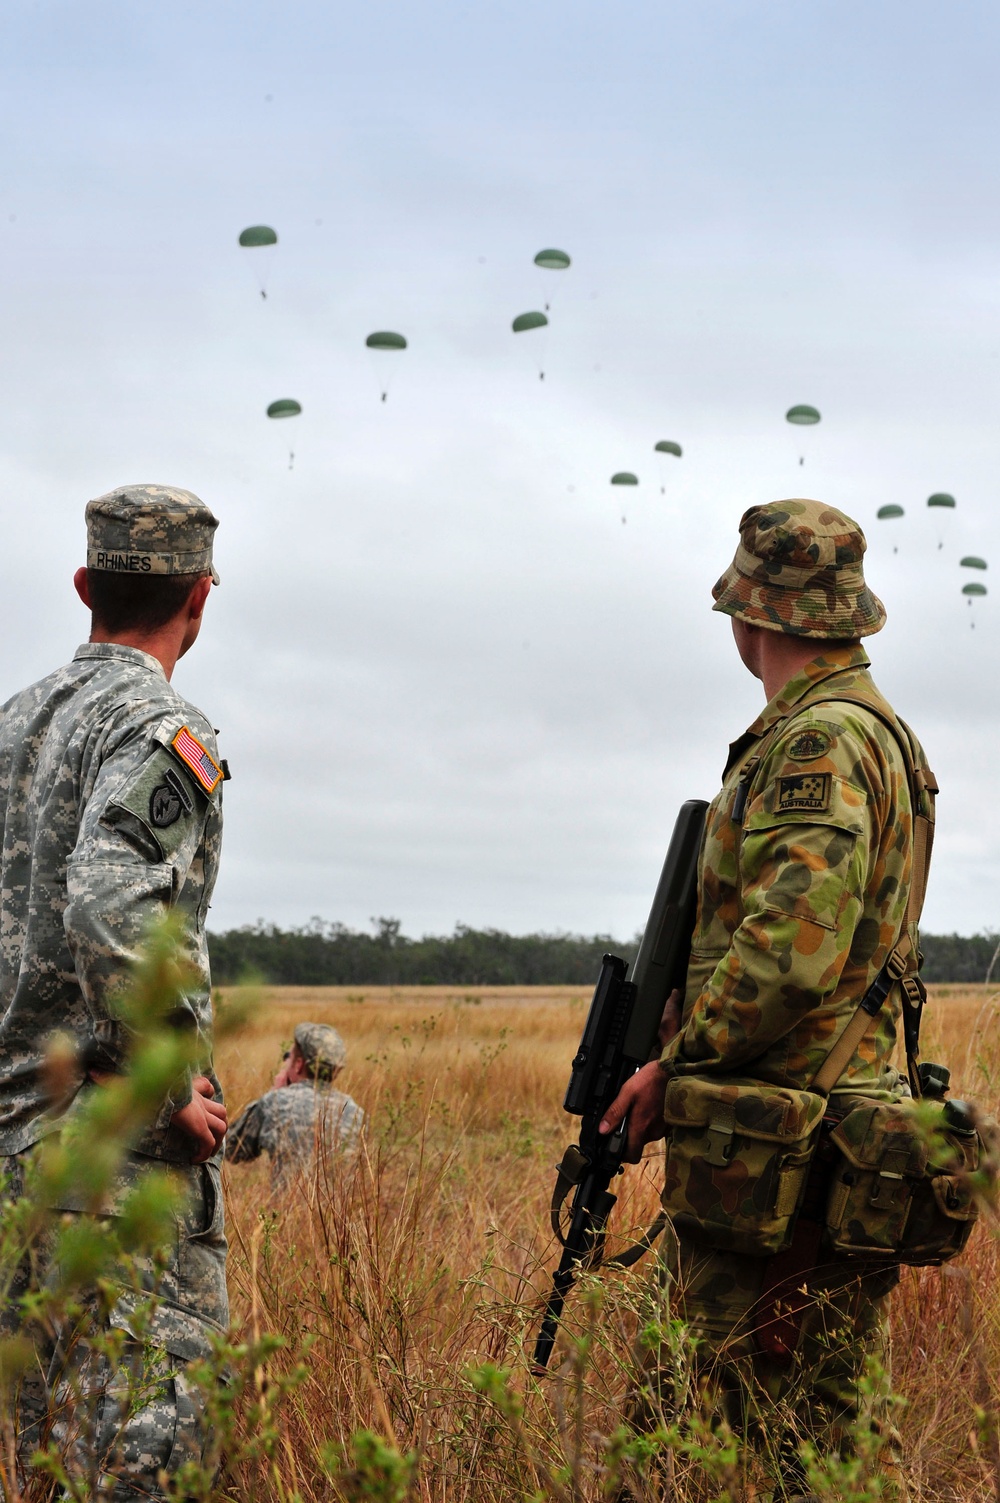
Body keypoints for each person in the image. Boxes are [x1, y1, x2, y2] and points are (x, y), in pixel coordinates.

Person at [600, 499, 930, 1501]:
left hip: (790, 1155)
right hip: (814, 1146)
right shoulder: (875, 734)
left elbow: (789, 956)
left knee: (681, 1443)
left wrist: (677, 1062)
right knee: (813, 1438)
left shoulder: (819, 743)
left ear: (751, 618)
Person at [0, 484, 230, 1498]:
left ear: (87, 585)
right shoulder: (160, 728)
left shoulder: (14, 725)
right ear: (201, 600)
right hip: (107, 1157)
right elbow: (108, 902)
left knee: (42, 1455)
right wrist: (169, 1084)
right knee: (141, 1455)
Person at [226, 1022, 364, 1188]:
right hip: (340, 1212)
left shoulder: (275, 1103)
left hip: (286, 1212)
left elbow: (232, 1150)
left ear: (298, 1065)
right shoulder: (354, 1111)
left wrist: (274, 1093)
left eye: (289, 1057)